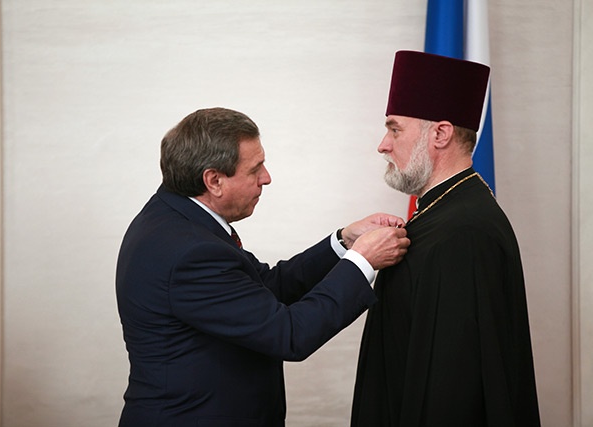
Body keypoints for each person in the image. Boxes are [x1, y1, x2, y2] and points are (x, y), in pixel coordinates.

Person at [115, 107, 410, 426]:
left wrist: (343, 242)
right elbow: (291, 334)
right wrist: (362, 261)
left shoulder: (173, 217)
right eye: (255, 169)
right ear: (214, 180)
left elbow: (265, 287)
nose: (266, 178)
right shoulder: (191, 252)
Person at [350, 51, 541, 426]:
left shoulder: (465, 232)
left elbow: (453, 387)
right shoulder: (441, 213)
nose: (383, 144)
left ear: (440, 134)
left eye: (395, 129)